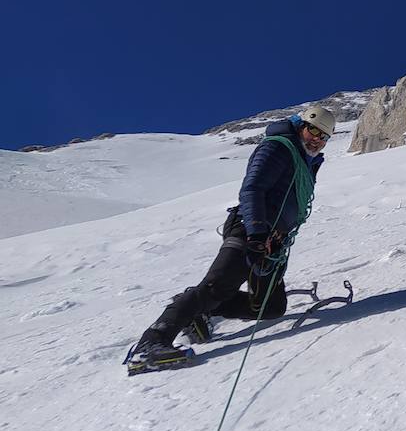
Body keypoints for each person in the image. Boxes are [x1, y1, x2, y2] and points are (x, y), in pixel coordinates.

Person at [126, 106, 335, 372]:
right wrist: (258, 232)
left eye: (324, 136)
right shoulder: (279, 147)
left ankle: (200, 312)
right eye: (314, 130)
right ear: (300, 125)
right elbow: (253, 188)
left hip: (274, 240)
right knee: (216, 288)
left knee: (271, 307)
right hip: (250, 229)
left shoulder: (306, 161)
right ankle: (150, 345)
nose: (317, 139)